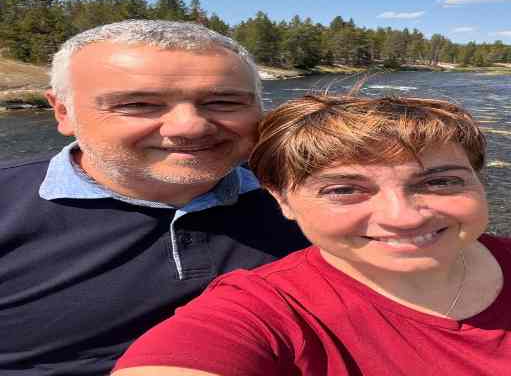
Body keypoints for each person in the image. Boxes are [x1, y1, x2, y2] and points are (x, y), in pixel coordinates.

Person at [113, 94, 511, 376]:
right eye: (343, 190)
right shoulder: (261, 314)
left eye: (438, 180)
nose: (404, 215)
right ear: (283, 200)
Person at [0, 20, 309, 375]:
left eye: (223, 101)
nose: (189, 126)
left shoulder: (315, 199)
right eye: (138, 104)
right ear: (63, 112)